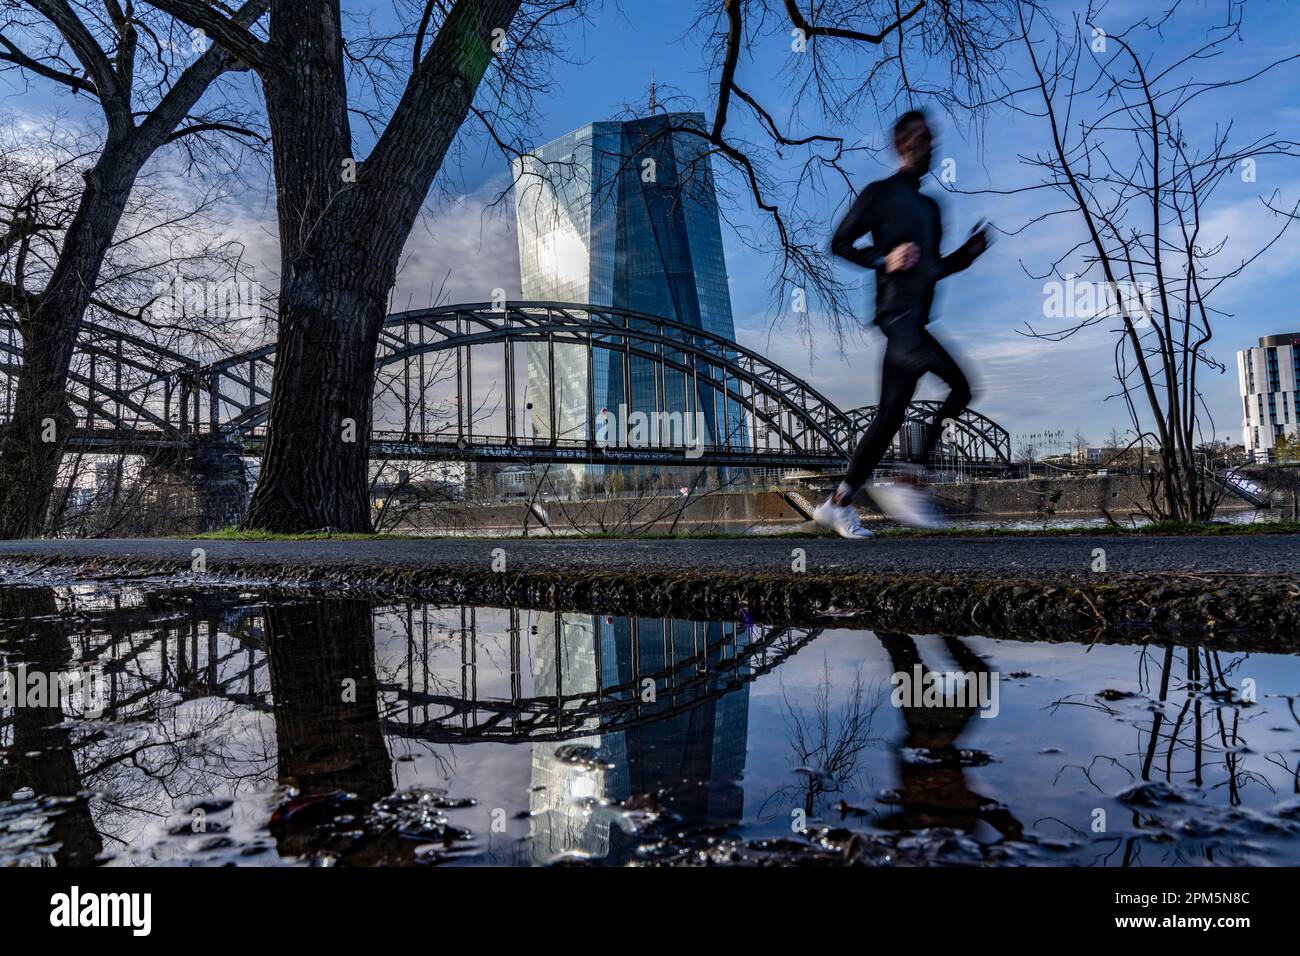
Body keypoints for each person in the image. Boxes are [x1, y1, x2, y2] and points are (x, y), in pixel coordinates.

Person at [814, 109, 990, 539]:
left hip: (916, 320)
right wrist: (884, 258)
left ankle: (837, 503)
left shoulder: (932, 208)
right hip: (897, 317)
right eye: (920, 138)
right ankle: (909, 479)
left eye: (932, 138)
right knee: (961, 386)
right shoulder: (879, 194)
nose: (930, 145)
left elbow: (933, 269)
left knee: (889, 417)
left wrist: (965, 256)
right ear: (900, 145)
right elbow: (839, 243)